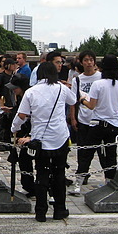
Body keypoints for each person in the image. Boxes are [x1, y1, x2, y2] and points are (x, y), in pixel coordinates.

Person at [12, 61, 76, 222]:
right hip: (60, 137)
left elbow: (21, 115)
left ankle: (41, 211)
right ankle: (60, 209)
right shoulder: (62, 88)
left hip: (40, 138)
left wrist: (14, 128)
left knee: (41, 173)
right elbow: (73, 100)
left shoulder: (31, 92)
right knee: (59, 173)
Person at [79, 55, 118, 183]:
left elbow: (91, 105)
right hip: (113, 123)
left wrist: (83, 100)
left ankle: (79, 180)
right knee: (110, 154)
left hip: (97, 123)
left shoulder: (98, 84)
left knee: (87, 153)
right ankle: (110, 180)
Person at [68, 50, 102, 196]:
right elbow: (73, 100)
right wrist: (73, 118)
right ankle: (82, 174)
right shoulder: (78, 79)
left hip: (99, 118)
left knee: (102, 150)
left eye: (91, 60)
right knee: (83, 150)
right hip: (83, 118)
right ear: (81, 62)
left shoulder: (101, 77)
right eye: (86, 60)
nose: (89, 63)